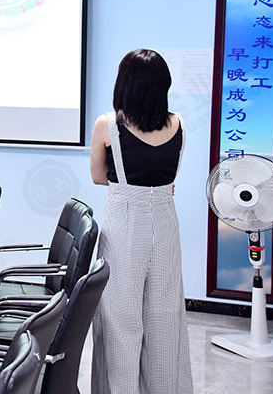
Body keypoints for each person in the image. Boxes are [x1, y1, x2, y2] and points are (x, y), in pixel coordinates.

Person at [89, 49, 192, 394]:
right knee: (164, 314)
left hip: (123, 221)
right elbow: (169, 178)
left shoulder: (107, 125)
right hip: (166, 221)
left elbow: (98, 177)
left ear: (125, 84)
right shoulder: (178, 124)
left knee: (119, 315)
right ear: (163, 85)